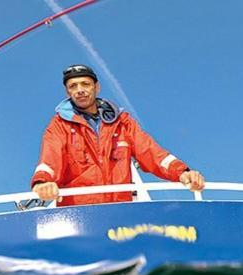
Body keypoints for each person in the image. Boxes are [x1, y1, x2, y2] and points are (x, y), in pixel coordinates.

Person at [31, 64, 205, 207]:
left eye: (85, 84)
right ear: (67, 93)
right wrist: (42, 182)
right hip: (78, 215)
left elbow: (151, 152)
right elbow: (50, 158)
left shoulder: (122, 122)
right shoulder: (59, 125)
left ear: (96, 87)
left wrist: (182, 172)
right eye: (73, 86)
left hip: (121, 214)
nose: (80, 90)